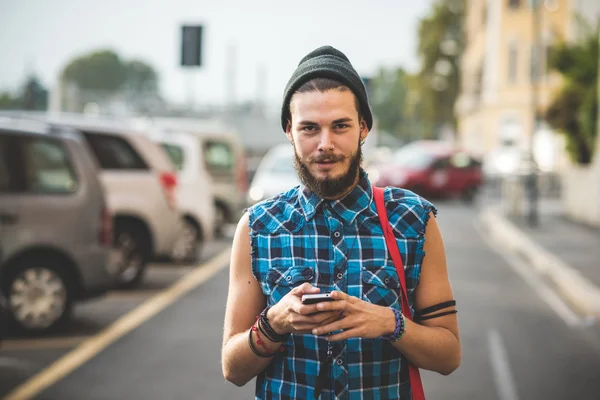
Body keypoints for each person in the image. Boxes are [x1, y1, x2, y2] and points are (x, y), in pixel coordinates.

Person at [222, 45, 461, 399]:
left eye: (340, 126)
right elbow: (232, 369)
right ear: (289, 130)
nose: (325, 144)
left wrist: (390, 324)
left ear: (363, 127)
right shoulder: (258, 227)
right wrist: (274, 323)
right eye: (309, 128)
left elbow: (448, 355)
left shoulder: (413, 220)